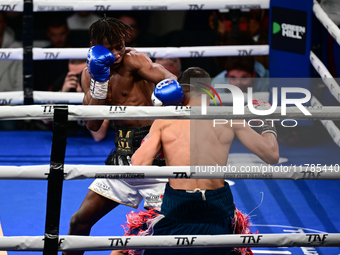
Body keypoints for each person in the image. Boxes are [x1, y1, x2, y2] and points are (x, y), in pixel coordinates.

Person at [123, 67, 279, 255]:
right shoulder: (228, 118)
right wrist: (268, 124)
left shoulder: (165, 121)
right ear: (210, 90)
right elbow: (272, 155)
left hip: (178, 205)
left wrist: (154, 140)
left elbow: (138, 165)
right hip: (218, 206)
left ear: (179, 90)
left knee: (126, 248)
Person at [63, 16, 182, 255]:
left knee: (163, 230)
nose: (117, 53)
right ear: (94, 47)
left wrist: (169, 91)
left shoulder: (134, 60)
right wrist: (99, 83)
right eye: (109, 49)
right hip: (122, 157)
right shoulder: (90, 74)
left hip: (157, 158)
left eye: (120, 46)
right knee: (79, 221)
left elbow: (171, 80)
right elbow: (93, 124)